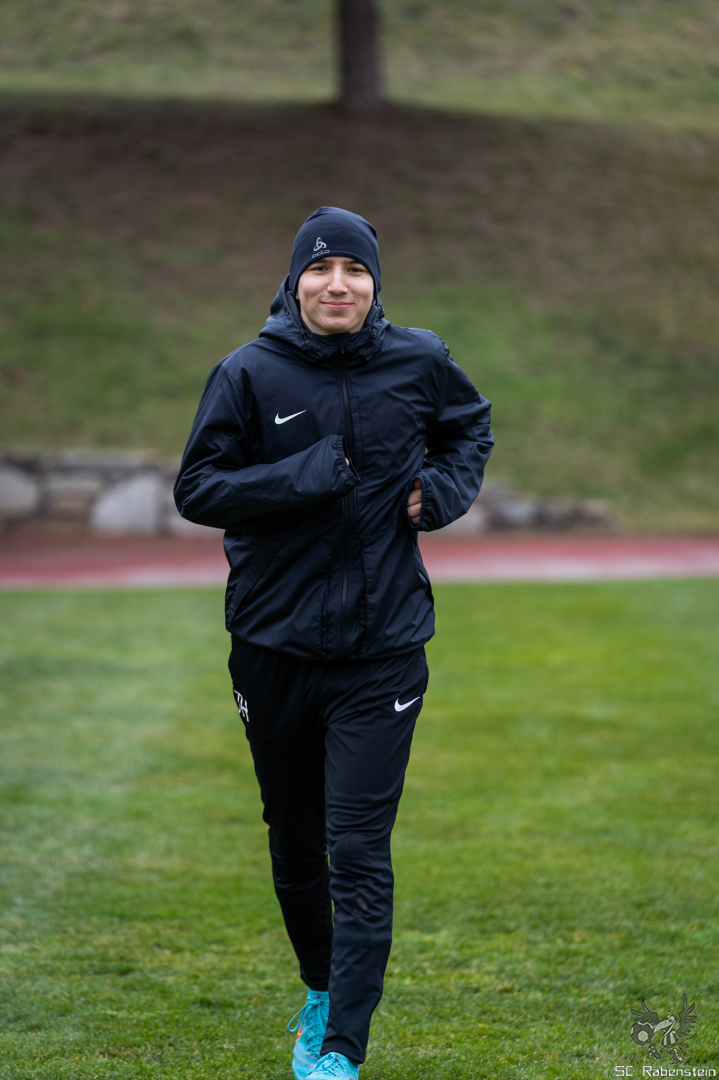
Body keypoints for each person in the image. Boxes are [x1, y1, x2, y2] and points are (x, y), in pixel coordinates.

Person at [174, 206, 493, 1080]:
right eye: (320, 269)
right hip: (272, 646)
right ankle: (318, 987)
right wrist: (304, 475)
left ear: (374, 283)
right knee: (294, 839)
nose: (337, 284)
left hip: (382, 650)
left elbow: (469, 424)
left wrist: (443, 489)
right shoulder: (247, 372)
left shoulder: (419, 360)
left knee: (355, 847)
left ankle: (342, 1047)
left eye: (354, 269)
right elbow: (198, 488)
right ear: (294, 282)